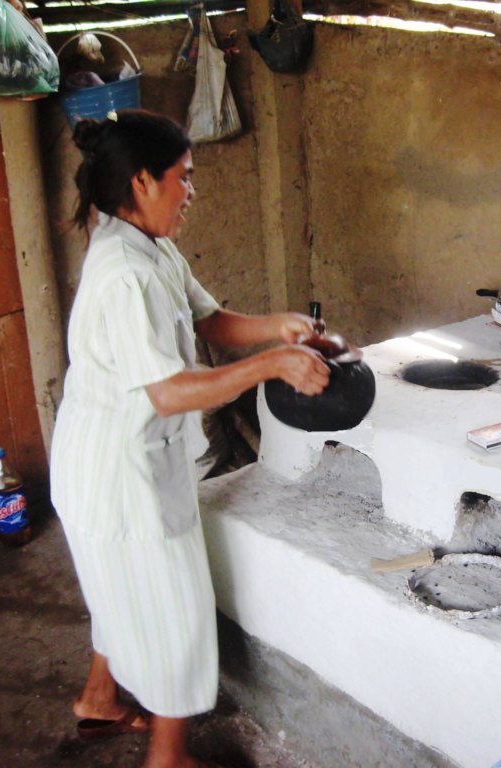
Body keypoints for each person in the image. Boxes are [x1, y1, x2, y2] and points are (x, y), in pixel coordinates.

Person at [50, 109, 330, 768]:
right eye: (183, 176)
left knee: (119, 592)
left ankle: (99, 699)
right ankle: (168, 757)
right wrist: (271, 365)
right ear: (142, 182)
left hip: (108, 458)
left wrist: (278, 327)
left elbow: (211, 319)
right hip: (118, 475)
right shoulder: (126, 273)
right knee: (173, 610)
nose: (191, 191)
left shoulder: (147, 244)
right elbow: (171, 392)